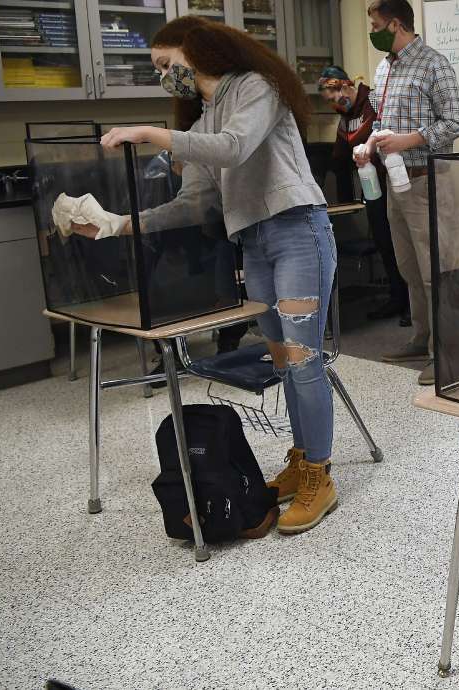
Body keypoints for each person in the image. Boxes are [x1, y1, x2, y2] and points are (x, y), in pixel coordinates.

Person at [88, 16, 340, 534]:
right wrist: (118, 225)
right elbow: (197, 202)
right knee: (284, 361)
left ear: (196, 49)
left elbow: (234, 146)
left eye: (165, 63)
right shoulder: (202, 120)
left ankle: (320, 475)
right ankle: (303, 457)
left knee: (303, 359)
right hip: (256, 242)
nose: (163, 75)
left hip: (297, 232)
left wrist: (153, 133)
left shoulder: (256, 88)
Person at [354, 0, 459, 386]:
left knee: (436, 269)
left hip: (426, 178)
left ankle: (447, 350)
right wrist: (369, 144)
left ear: (396, 23)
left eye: (375, 23)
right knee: (408, 266)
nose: (371, 30)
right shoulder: (385, 66)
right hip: (394, 180)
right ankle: (422, 338)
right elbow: (383, 121)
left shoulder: (435, 64)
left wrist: (410, 140)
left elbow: (456, 121)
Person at [317, 66, 411, 326]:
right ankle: (397, 297)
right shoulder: (345, 115)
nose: (335, 103)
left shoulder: (372, 101)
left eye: (335, 96)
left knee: (403, 244)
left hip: (395, 180)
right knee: (384, 243)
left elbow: (384, 133)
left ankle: (414, 303)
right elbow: (338, 156)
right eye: (329, 101)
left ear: (346, 86)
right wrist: (346, 201)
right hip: (373, 188)